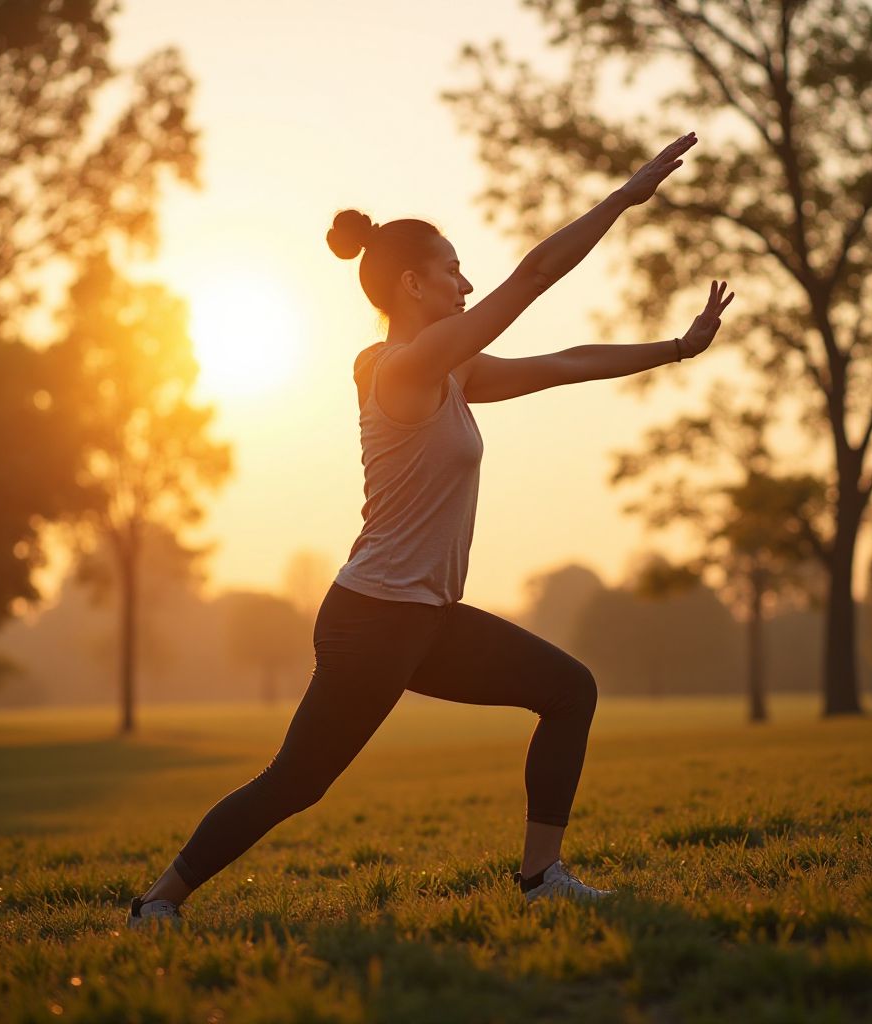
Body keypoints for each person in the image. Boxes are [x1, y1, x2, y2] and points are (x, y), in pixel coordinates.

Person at [126, 130, 733, 928]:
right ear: (412, 283)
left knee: (568, 690)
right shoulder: (399, 370)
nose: (467, 282)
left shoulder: (449, 371)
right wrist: (622, 197)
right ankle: (158, 903)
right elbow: (534, 277)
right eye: (453, 270)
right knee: (296, 784)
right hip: (373, 621)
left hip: (427, 620)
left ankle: (541, 876)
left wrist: (678, 349)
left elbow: (562, 363)